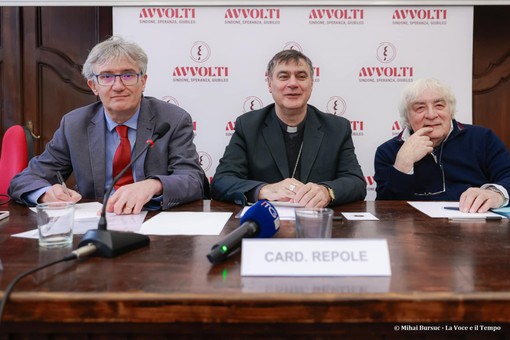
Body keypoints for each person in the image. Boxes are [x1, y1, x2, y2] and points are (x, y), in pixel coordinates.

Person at [9, 36, 205, 214]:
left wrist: (153, 185)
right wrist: (45, 193)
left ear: (143, 82)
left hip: (155, 223)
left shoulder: (172, 119)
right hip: (95, 223)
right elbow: (24, 179)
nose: (118, 86)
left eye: (128, 75)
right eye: (107, 76)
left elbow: (193, 180)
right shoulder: (74, 125)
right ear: (93, 86)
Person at [210, 49, 366, 207]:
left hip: (319, 224)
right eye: (284, 76)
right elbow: (221, 181)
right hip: (266, 224)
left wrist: (326, 191)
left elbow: (356, 182)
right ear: (270, 84)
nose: (292, 84)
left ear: (311, 84)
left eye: (301, 76)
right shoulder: (248, 126)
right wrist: (264, 190)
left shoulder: (337, 128)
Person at [374, 78, 510, 213]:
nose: (431, 115)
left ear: (451, 111)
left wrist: (496, 194)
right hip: (413, 231)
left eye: (439, 105)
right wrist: (402, 165)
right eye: (420, 108)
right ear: (407, 117)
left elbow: (507, 175)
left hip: (474, 226)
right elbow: (385, 209)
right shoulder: (387, 151)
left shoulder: (482, 138)